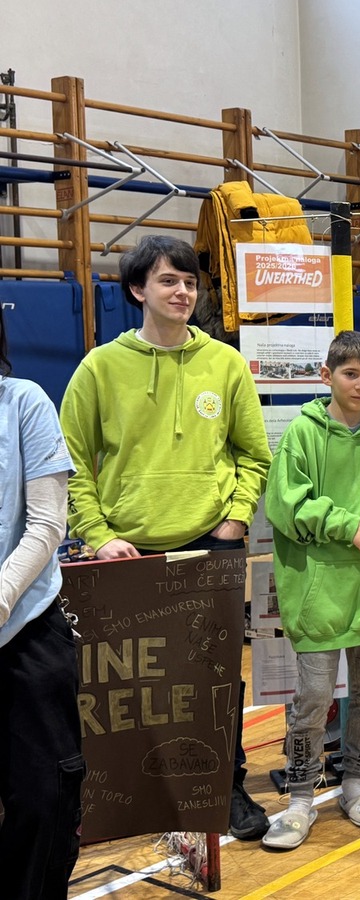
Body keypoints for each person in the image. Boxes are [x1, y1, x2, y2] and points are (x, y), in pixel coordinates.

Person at [59, 234, 272, 840]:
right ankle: (135, 796)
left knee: (215, 678)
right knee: (131, 688)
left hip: (211, 545)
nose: (183, 292)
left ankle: (225, 787)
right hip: (126, 552)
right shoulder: (100, 367)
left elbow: (254, 454)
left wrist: (235, 519)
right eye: (168, 281)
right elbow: (69, 463)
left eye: (190, 282)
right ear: (137, 290)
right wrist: (98, 534)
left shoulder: (225, 363)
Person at [262, 330, 360, 850]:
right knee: (312, 700)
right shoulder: (302, 435)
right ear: (326, 375)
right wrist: (349, 526)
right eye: (351, 374)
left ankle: (356, 784)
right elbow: (287, 506)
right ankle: (299, 799)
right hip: (319, 592)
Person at [0, 305, 83, 899]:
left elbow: (47, 523)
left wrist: (2, 598)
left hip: (26, 629)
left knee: (44, 795)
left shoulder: (24, 401)